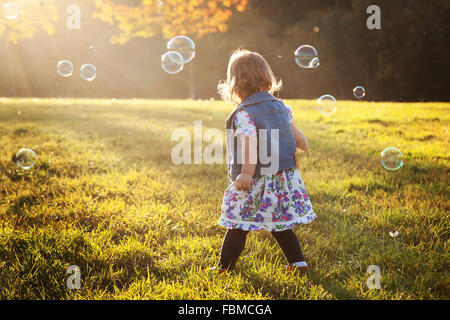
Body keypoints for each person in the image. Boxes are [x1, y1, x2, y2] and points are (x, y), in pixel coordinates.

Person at [215, 49, 317, 274]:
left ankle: (224, 267)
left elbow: (251, 145)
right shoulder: (282, 107)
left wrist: (246, 174)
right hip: (282, 178)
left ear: (235, 84)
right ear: (267, 80)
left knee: (238, 223)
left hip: (256, 178)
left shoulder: (244, 113)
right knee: (280, 223)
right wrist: (303, 145)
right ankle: (298, 263)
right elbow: (297, 134)